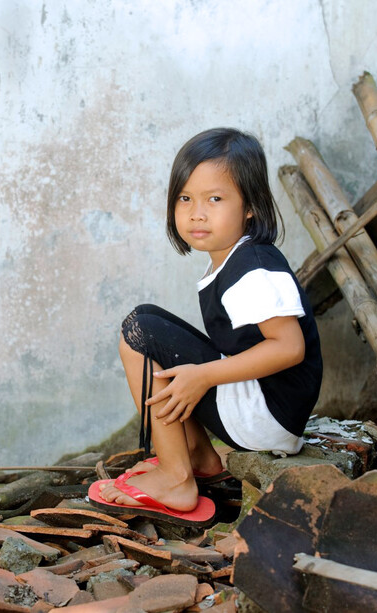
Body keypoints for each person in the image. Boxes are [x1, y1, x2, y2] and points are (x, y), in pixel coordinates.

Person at [88, 128, 323, 526]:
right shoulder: (234, 257)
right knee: (148, 317)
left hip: (268, 416)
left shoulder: (253, 268)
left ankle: (176, 476)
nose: (197, 212)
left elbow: (289, 347)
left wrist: (204, 376)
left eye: (215, 199)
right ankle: (197, 456)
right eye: (185, 199)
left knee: (139, 332)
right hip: (265, 408)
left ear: (250, 205)